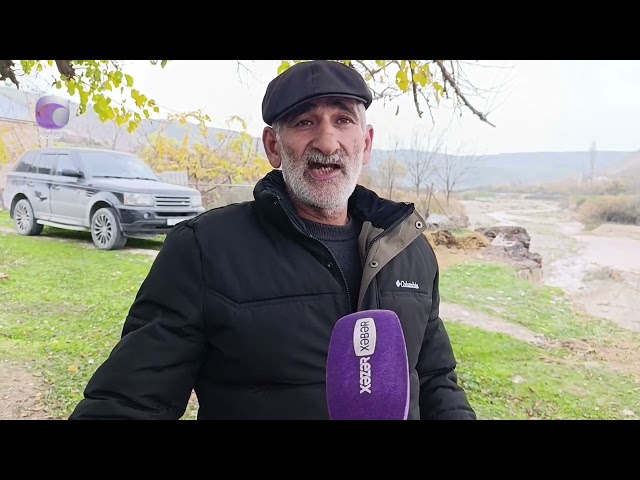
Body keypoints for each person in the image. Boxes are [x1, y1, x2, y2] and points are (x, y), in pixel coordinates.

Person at [68, 60, 476, 420]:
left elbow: (435, 379)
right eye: (304, 122)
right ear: (272, 147)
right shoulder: (204, 249)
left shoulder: (407, 247)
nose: (327, 142)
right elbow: (128, 402)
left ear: (365, 143)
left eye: (343, 120)